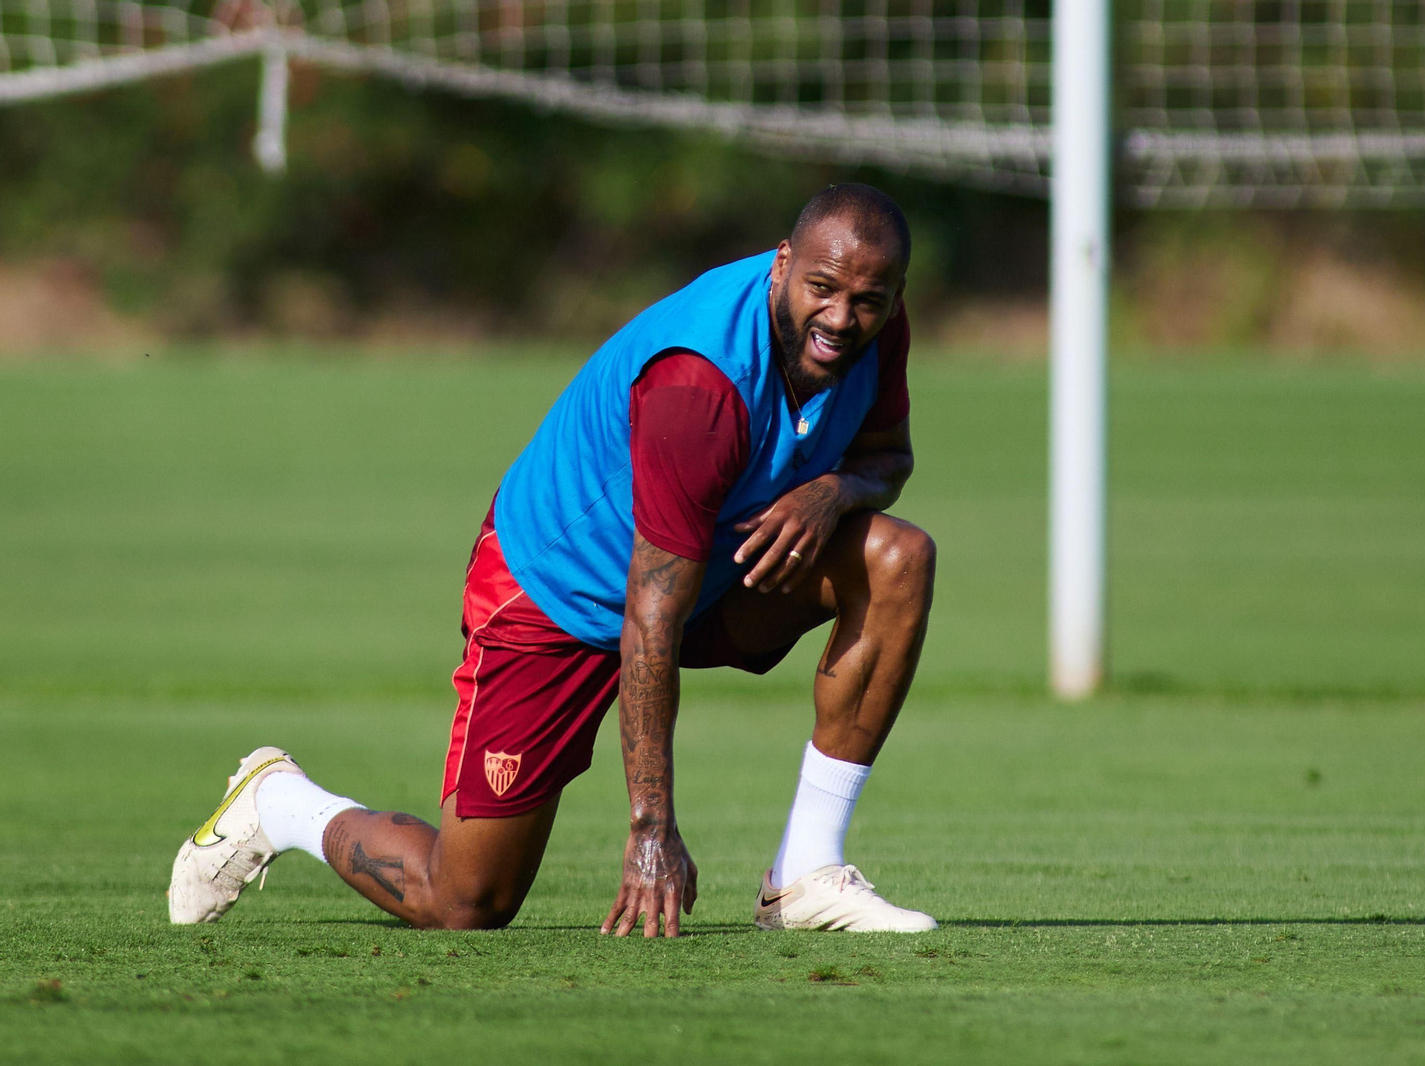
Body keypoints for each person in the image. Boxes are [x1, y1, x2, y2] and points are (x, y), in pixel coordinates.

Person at [168, 183, 937, 937]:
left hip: (707, 569)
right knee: (465, 901)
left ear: (894, 295)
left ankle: (804, 873)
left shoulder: (874, 327)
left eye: (867, 300)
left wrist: (834, 492)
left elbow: (888, 460)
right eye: (822, 288)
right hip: (558, 595)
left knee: (897, 559)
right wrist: (649, 831)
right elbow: (649, 617)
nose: (840, 318)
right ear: (781, 263)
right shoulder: (698, 386)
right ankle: (278, 802)